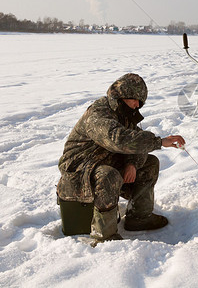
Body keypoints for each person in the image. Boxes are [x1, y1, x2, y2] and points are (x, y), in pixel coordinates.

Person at [57, 73, 185, 244]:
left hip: (104, 159)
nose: (137, 105)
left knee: (150, 163)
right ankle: (104, 236)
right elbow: (118, 139)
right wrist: (159, 141)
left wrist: (131, 163)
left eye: (141, 102)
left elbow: (135, 139)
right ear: (122, 95)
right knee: (109, 176)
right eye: (135, 99)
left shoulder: (124, 112)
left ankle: (139, 217)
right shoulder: (99, 113)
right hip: (80, 167)